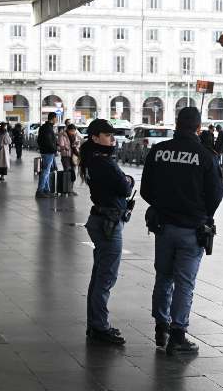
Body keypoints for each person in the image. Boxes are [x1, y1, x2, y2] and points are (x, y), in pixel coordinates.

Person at [141, 107, 223, 356]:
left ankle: (161, 326)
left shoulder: (158, 151)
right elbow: (216, 195)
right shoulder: (205, 156)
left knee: (163, 277)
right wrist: (201, 213)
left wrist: (163, 206)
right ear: (198, 128)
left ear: (176, 124)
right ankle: (178, 335)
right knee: (184, 283)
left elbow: (146, 189)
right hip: (192, 229)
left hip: (163, 226)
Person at [79, 119, 135, 345]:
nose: (112, 138)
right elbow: (124, 186)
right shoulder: (103, 162)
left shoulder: (92, 159)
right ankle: (100, 326)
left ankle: (95, 324)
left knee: (99, 275)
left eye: (113, 135)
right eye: (107, 135)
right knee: (106, 277)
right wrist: (128, 180)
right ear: (94, 137)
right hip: (108, 222)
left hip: (101, 219)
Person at [35, 112, 58, 198]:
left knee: (47, 171)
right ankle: (40, 190)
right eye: (56, 118)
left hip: (45, 151)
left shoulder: (44, 127)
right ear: (53, 118)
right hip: (48, 152)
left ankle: (46, 190)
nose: (56, 120)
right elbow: (49, 141)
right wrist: (54, 150)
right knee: (45, 171)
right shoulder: (48, 128)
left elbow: (39, 140)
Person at [57, 123, 81, 196]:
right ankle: (64, 191)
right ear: (68, 130)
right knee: (67, 173)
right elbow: (60, 145)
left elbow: (78, 144)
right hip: (66, 156)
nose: (73, 132)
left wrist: (76, 145)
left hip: (73, 156)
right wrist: (66, 147)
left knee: (72, 173)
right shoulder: (62, 135)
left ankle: (70, 190)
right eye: (72, 131)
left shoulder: (75, 135)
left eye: (74, 131)